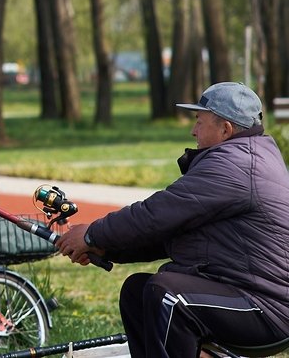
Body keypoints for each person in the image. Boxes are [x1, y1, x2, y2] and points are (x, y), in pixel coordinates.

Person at [57, 82, 289, 357]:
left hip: (266, 308)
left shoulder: (235, 166)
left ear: (225, 129)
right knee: (137, 291)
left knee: (167, 295)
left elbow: (155, 214)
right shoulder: (244, 156)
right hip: (243, 291)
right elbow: (171, 232)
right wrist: (106, 249)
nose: (193, 131)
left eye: (199, 122)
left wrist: (91, 235)